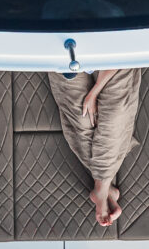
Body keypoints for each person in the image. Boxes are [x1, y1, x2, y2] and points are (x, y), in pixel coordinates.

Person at [47, 68, 142, 226]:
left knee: (85, 121)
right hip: (99, 60)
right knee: (108, 116)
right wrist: (93, 94)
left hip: (92, 62)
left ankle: (103, 186)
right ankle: (103, 187)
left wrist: (94, 93)